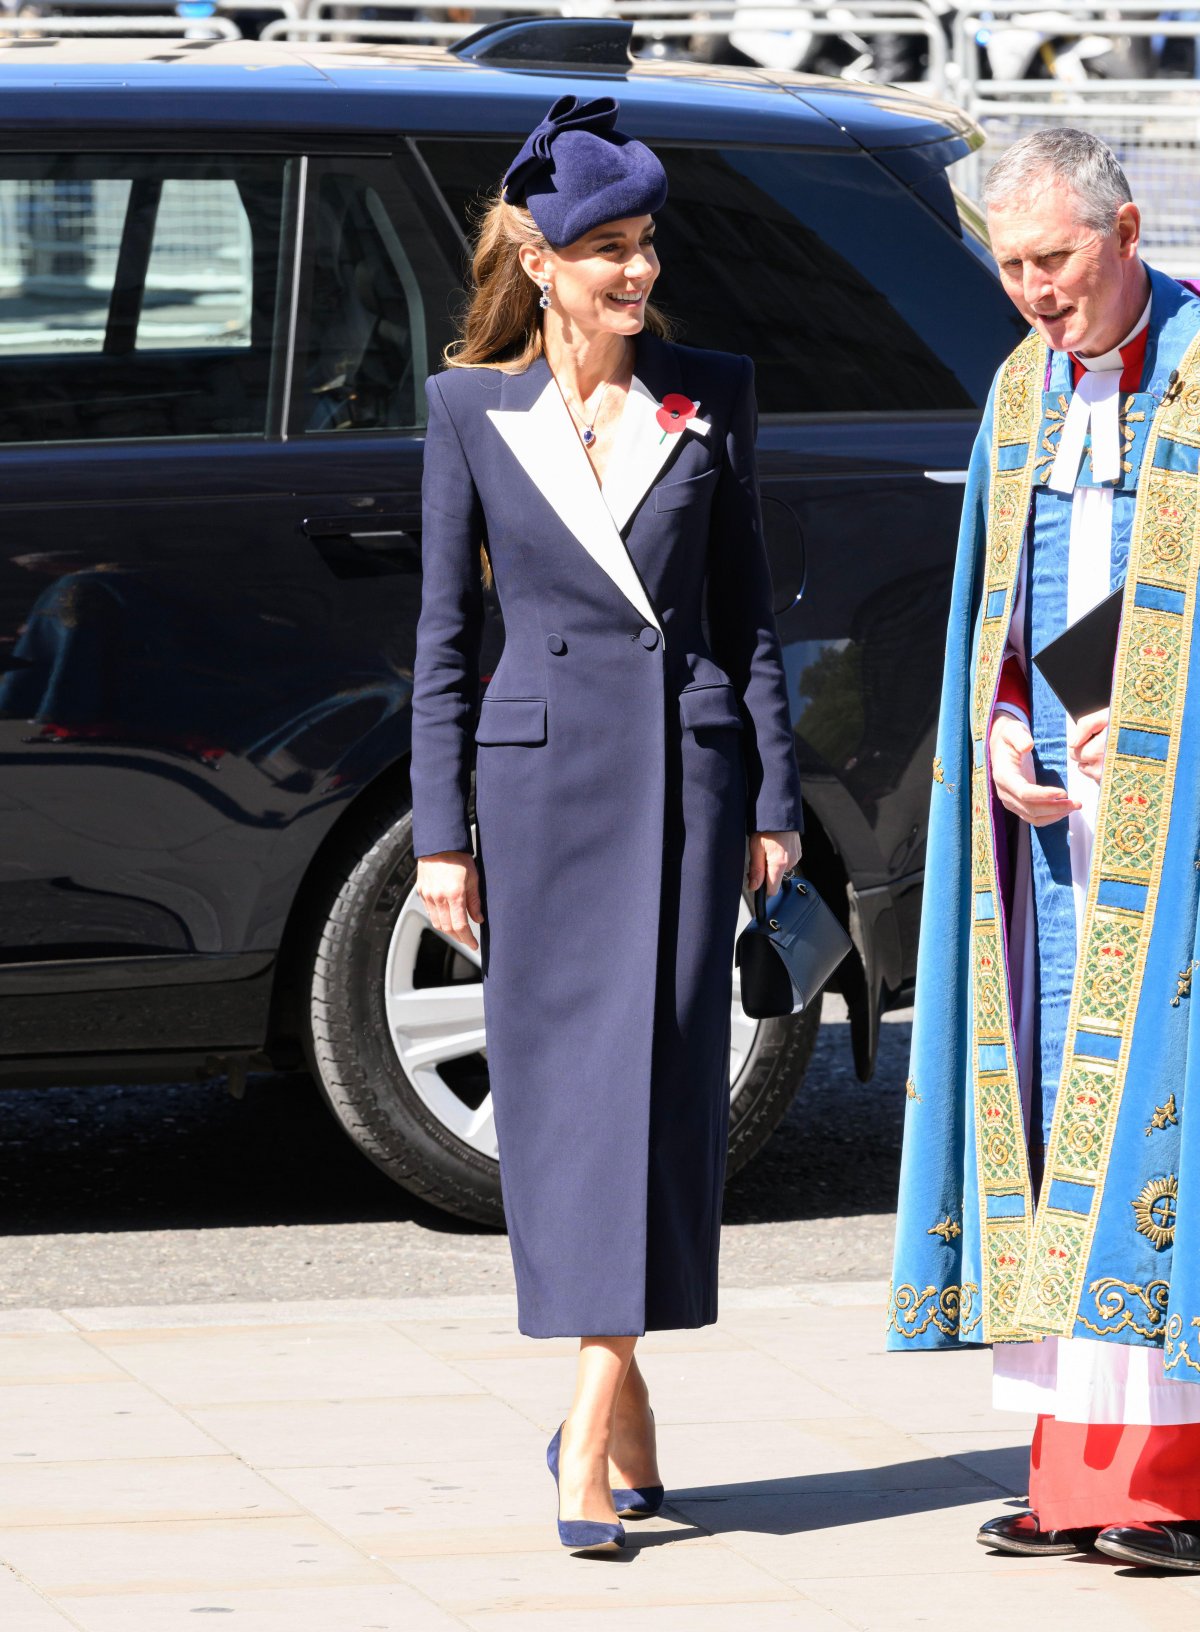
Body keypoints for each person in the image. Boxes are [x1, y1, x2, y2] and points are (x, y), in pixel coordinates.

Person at [409, 95, 803, 1555]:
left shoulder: (710, 392)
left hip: (692, 790)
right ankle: (610, 1416)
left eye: (647, 246)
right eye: (609, 251)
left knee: (673, 1098)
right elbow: (445, 637)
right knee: (571, 1105)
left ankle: (594, 1415)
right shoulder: (468, 410)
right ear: (546, 259)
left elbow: (750, 613)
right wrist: (437, 831)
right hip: (540, 794)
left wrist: (775, 792)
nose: (637, 275)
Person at [889, 126, 1200, 1571]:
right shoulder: (1021, 388)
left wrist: (1139, 704)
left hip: (1176, 838)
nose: (1032, 292)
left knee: (1160, 1128)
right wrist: (1006, 712)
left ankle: (1172, 1476)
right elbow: (1001, 595)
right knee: (1052, 1122)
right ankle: (1081, 1469)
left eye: (1056, 261)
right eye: (1009, 266)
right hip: (1060, 848)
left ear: (1128, 229)